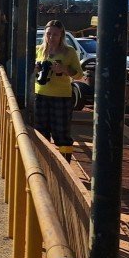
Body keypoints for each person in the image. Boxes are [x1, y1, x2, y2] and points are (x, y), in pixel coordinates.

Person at [34, 20, 82, 162]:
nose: (51, 37)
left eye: (55, 34)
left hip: (61, 97)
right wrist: (35, 69)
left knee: (61, 134)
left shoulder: (69, 52)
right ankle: (43, 163)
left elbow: (79, 74)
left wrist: (64, 69)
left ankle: (64, 167)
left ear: (62, 35)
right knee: (40, 133)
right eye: (48, 34)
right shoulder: (39, 49)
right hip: (40, 95)